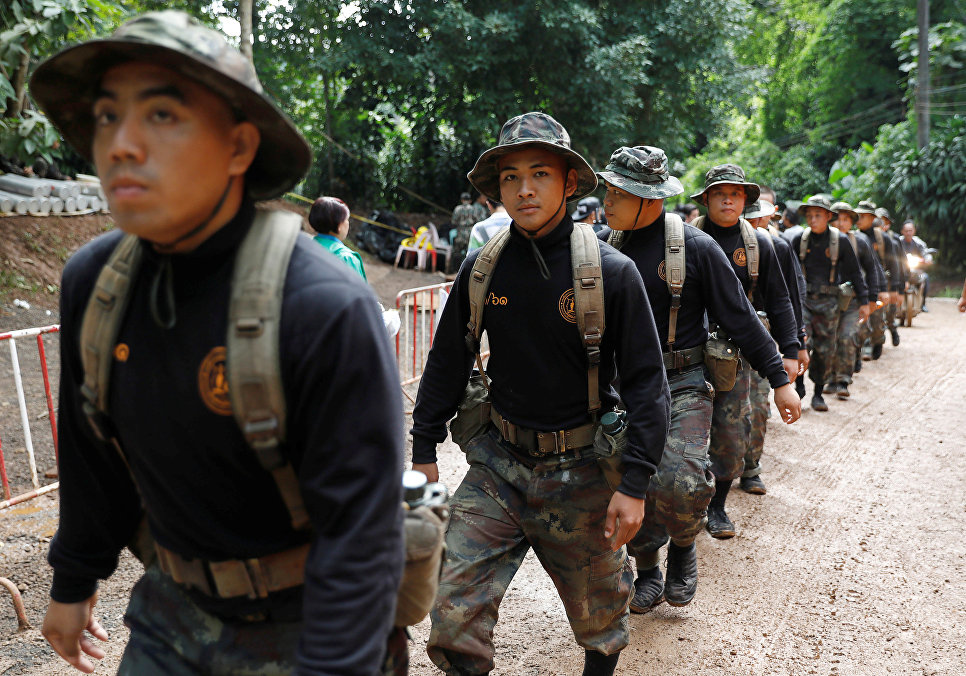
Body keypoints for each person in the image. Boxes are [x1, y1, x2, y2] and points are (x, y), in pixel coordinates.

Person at [31, 11, 405, 674]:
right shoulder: (94, 284)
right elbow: (92, 450)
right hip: (172, 611)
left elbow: (361, 541)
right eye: (107, 116)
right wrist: (73, 578)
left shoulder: (320, 307)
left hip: (309, 620)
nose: (120, 143)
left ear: (238, 148)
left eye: (162, 116)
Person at [410, 112, 670, 676]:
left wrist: (635, 482)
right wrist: (423, 454)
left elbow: (649, 383)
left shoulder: (611, 273)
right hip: (498, 465)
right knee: (452, 610)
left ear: (569, 182)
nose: (524, 189)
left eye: (539, 174)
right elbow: (446, 363)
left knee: (601, 620)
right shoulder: (482, 271)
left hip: (582, 470)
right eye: (510, 177)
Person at [596, 146, 800, 613]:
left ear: (648, 198)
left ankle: (684, 548)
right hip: (623, 388)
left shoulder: (696, 247)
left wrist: (780, 375)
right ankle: (647, 566)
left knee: (682, 482)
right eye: (607, 190)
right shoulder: (602, 248)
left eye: (617, 192)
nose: (606, 201)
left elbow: (742, 317)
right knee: (631, 479)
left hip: (683, 381)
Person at [689, 164, 800, 538]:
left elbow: (781, 300)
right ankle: (681, 508)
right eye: (719, 192)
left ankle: (717, 507)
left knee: (732, 432)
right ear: (705, 199)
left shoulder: (758, 244)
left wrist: (790, 348)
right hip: (687, 350)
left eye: (735, 193)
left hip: (739, 353)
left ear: (745, 200)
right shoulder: (684, 239)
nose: (727, 199)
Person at [741, 197, 807, 495]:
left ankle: (751, 467)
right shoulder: (710, 240)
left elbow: (789, 298)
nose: (755, 224)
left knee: (756, 405)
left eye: (760, 219)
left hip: (760, 338)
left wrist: (796, 345)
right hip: (718, 338)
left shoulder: (776, 247)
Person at [787, 196, 869, 411]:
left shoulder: (840, 241)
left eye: (818, 215)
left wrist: (864, 301)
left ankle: (818, 394)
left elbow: (855, 272)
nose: (813, 220)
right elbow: (788, 273)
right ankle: (800, 384)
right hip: (804, 302)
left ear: (828, 217)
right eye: (810, 216)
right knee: (802, 344)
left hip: (829, 303)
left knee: (824, 350)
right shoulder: (799, 240)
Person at [828, 202, 887, 398]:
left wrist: (871, 299)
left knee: (847, 337)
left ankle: (843, 380)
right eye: (837, 218)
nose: (841, 223)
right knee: (830, 339)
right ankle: (830, 377)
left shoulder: (860, 242)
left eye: (846, 219)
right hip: (828, 300)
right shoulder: (820, 241)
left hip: (853, 300)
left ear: (852, 222)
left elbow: (872, 270)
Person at [855, 200, 901, 360]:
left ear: (872, 218)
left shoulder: (883, 239)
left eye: (863, 216)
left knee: (877, 318)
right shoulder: (854, 237)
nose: (859, 219)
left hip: (880, 283)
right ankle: (863, 347)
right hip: (860, 284)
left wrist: (894, 289)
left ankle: (878, 341)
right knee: (860, 319)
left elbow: (894, 264)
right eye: (858, 215)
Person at [308, 196, 367, 280]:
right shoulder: (347, 258)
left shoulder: (304, 246)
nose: (348, 224)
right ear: (339, 225)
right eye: (347, 219)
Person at [876, 207, 905, 345]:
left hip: (890, 281)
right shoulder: (869, 237)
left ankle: (893, 329)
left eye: (884, 221)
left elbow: (900, 264)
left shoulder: (894, 239)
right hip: (875, 282)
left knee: (890, 311)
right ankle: (876, 341)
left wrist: (899, 288)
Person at [900, 220, 932, 311]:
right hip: (901, 271)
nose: (908, 233)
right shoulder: (898, 242)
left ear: (914, 231)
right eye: (906, 231)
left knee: (925, 277)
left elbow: (926, 253)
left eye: (910, 230)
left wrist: (928, 259)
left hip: (916, 270)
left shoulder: (919, 243)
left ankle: (923, 303)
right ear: (902, 231)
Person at [448, 191, 479, 272]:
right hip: (470, 232)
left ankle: (454, 271)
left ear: (462, 200)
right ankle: (467, 271)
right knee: (469, 254)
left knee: (456, 252)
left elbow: (453, 222)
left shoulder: (457, 209)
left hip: (460, 232)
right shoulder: (473, 209)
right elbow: (477, 220)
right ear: (470, 200)